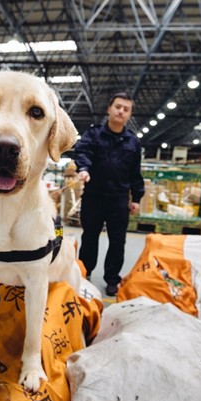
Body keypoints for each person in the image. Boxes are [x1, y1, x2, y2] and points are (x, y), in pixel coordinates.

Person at [74, 92, 145, 296]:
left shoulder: (133, 142)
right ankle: (84, 272)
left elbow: (135, 172)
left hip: (118, 200)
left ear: (129, 114)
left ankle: (112, 279)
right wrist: (84, 168)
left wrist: (137, 198)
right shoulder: (94, 134)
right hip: (94, 196)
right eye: (118, 106)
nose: (121, 111)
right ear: (109, 109)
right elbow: (83, 151)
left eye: (126, 109)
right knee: (90, 237)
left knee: (117, 241)